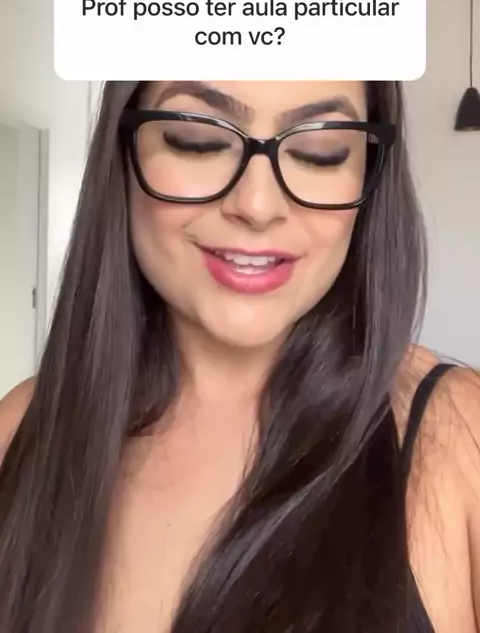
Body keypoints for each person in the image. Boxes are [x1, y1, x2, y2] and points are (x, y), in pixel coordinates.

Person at [0, 80, 479, 633]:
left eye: (320, 150)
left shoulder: (458, 437)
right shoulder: (20, 429)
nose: (257, 205)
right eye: (196, 140)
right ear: (122, 152)